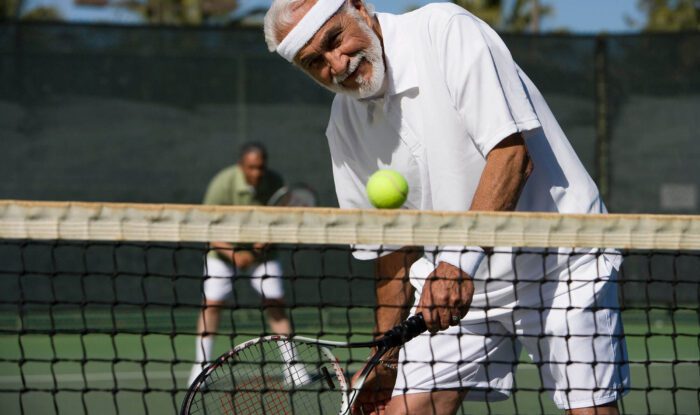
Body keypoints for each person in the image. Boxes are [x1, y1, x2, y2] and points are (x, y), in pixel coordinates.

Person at [264, 1, 630, 415]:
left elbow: (511, 156)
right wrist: (386, 355)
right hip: (449, 281)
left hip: (560, 263)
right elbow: (390, 250)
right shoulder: (344, 127)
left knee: (590, 411)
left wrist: (457, 266)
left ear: (360, 9)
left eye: (335, 40)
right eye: (316, 62)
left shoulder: (446, 31)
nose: (337, 62)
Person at [187, 142, 298, 386]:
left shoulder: (274, 182)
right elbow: (206, 226)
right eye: (251, 167)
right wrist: (235, 254)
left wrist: (257, 249)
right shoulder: (222, 183)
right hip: (222, 254)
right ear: (241, 166)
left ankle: (293, 367)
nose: (256, 173)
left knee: (275, 303)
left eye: (260, 167)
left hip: (263, 255)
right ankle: (201, 366)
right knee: (212, 305)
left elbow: (281, 222)